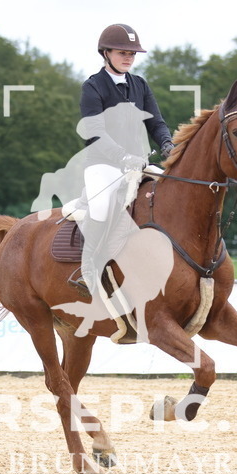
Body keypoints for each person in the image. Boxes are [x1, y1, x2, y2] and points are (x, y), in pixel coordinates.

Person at [72, 24, 175, 296]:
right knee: (103, 206)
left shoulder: (139, 84)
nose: (129, 57)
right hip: (102, 166)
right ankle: (88, 270)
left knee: (172, 192)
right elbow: (94, 133)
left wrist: (167, 143)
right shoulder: (93, 87)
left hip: (138, 165)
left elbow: (157, 122)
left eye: (132, 53)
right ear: (105, 53)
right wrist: (122, 156)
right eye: (122, 52)